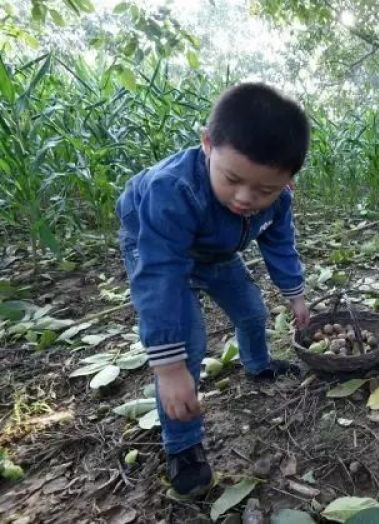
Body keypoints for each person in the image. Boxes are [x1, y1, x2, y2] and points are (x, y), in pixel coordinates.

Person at [115, 82, 311, 497]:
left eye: (264, 189)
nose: (246, 198)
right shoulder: (172, 189)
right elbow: (160, 276)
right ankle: (183, 445)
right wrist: (168, 369)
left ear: (289, 181)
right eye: (233, 179)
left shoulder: (277, 200)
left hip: (216, 247)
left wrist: (295, 293)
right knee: (187, 342)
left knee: (252, 311)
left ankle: (258, 364)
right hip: (157, 245)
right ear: (207, 144)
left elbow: (278, 242)